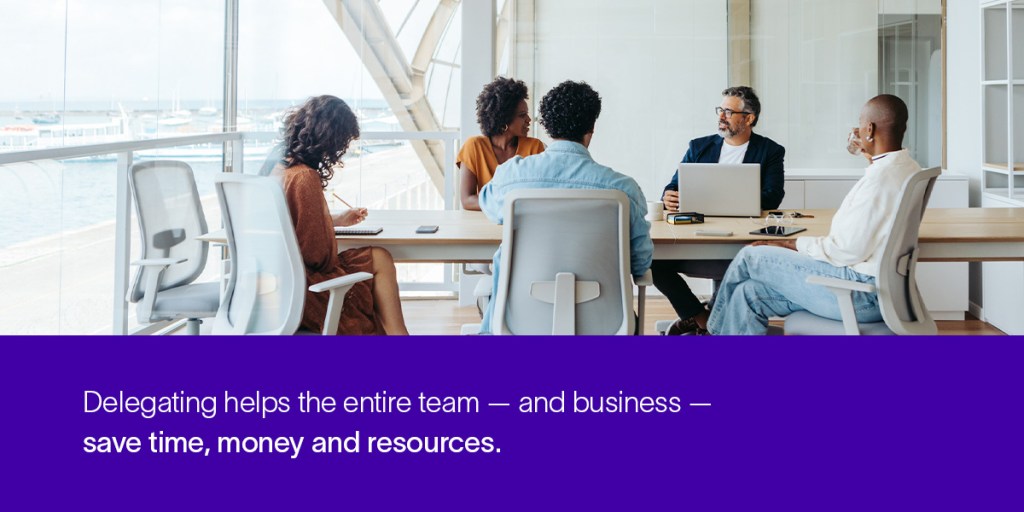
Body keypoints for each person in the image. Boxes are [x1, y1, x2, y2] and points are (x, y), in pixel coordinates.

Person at [706, 94, 918, 335]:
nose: (855, 129)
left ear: (869, 128)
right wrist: (869, 154)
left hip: (859, 293)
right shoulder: (904, 168)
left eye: (860, 122)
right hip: (881, 289)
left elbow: (845, 250)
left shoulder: (879, 180)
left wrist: (793, 244)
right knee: (750, 293)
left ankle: (712, 330)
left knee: (750, 256)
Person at [478, 80, 653, 333]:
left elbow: (489, 206)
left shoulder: (511, 177)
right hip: (606, 324)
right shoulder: (623, 190)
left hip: (521, 321)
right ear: (591, 127)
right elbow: (640, 262)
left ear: (547, 127)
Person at [270, 95, 409, 335]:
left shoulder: (280, 169)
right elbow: (317, 256)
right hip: (306, 286)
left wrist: (334, 220)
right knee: (381, 260)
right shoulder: (304, 178)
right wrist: (326, 231)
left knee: (377, 257)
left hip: (280, 281)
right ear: (330, 139)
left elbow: (290, 224)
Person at [652, 86, 785, 335]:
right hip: (695, 237)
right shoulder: (699, 146)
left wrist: (731, 200)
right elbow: (674, 185)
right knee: (651, 260)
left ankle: (709, 320)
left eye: (728, 111)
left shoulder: (770, 151)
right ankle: (701, 317)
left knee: (739, 261)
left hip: (741, 240)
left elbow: (773, 196)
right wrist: (669, 196)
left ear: (749, 118)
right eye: (720, 110)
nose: (721, 116)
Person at [458, 77, 545, 210]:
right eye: (522, 115)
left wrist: (498, 204)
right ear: (504, 118)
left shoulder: (534, 147)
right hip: (484, 223)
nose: (529, 120)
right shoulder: (474, 146)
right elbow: (467, 200)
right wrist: (511, 205)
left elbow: (539, 197)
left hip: (522, 222)